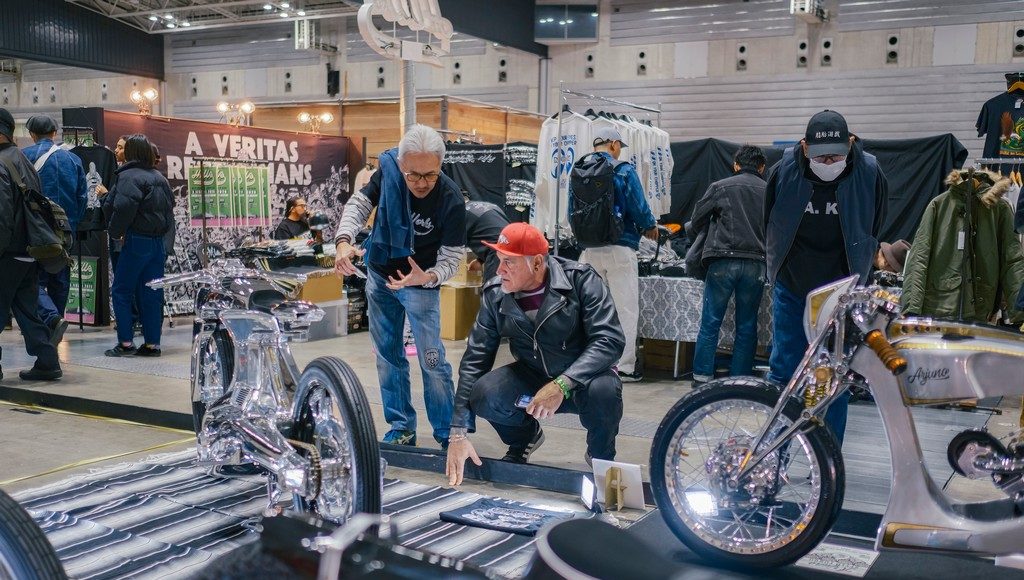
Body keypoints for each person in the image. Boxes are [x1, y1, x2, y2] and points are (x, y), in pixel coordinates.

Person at [445, 223, 625, 485]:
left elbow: (609, 340)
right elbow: (475, 360)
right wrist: (458, 433)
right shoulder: (495, 294)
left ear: (538, 263)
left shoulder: (581, 280)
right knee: (485, 393)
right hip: (533, 378)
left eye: (509, 262)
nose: (499, 270)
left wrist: (562, 384)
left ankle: (601, 455)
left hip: (582, 379)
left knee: (605, 392)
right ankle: (524, 438)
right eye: (499, 260)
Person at [334, 124, 466, 448]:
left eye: (430, 175)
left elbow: (452, 257)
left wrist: (429, 277)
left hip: (421, 284)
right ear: (402, 165)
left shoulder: (451, 199)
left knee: (432, 360)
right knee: (388, 356)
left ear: (440, 166)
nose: (421, 183)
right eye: (413, 175)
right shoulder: (389, 172)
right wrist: (343, 241)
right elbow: (359, 205)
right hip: (380, 276)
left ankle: (447, 433)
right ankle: (401, 427)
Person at [764, 110, 888, 446]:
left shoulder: (869, 172)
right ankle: (775, 456)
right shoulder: (784, 171)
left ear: (851, 143)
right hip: (793, 286)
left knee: (835, 376)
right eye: (820, 156)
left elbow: (875, 225)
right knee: (784, 372)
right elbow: (770, 223)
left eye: (835, 155)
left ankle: (827, 458)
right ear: (804, 147)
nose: (828, 162)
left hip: (842, 291)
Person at [574, 126, 657, 383]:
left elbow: (571, 211)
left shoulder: (580, 169)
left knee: (591, 308)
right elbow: (639, 206)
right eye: (619, 146)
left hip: (589, 250)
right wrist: (650, 225)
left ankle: (589, 362)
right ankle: (624, 367)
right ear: (613, 144)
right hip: (620, 248)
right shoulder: (623, 170)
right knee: (625, 308)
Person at [690, 145, 768, 385]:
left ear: (736, 165)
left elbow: (696, 220)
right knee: (747, 325)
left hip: (722, 260)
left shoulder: (720, 187)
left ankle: (702, 378)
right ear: (762, 167)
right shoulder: (770, 190)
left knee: (711, 322)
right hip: (756, 263)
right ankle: (739, 379)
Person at [0, 108, 62, 381]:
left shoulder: (1, 162)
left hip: (7, 251)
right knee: (27, 308)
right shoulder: (21, 158)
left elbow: (2, 215)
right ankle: (48, 361)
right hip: (29, 249)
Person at [102, 134, 174, 358]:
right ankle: (152, 344)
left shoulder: (128, 176)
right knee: (151, 293)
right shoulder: (160, 178)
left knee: (122, 290)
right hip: (157, 243)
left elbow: (123, 208)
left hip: (136, 241)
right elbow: (169, 211)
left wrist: (115, 232)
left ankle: (125, 342)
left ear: (131, 152)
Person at [21, 115, 88, 347]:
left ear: (32, 134)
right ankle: (55, 327)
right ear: (54, 133)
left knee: (32, 281)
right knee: (60, 281)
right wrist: (72, 222)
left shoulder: (24, 156)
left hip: (35, 231)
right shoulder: (73, 159)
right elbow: (82, 198)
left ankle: (51, 321)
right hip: (66, 231)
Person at [464, 199, 510, 281]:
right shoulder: (489, 206)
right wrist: (479, 261)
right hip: (513, 248)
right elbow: (491, 230)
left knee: (493, 286)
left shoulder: (458, 213)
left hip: (497, 252)